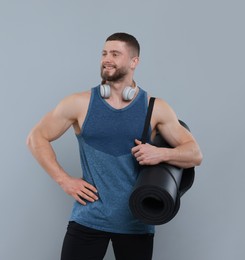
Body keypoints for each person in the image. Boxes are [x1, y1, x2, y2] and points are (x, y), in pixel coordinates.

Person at [26, 32, 203, 260]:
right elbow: (36, 137)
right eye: (104, 53)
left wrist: (159, 153)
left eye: (115, 54)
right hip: (88, 219)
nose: (107, 59)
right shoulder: (79, 104)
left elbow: (195, 154)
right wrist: (65, 181)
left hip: (136, 223)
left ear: (133, 62)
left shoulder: (155, 108)